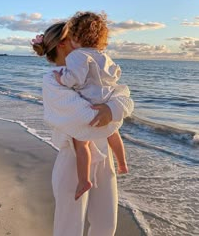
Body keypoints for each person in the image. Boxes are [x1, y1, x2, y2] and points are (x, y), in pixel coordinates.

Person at [31, 21, 134, 236]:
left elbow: (126, 99)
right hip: (74, 159)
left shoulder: (90, 72)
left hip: (104, 157)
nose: (86, 43)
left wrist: (113, 108)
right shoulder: (53, 80)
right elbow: (88, 118)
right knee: (69, 226)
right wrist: (112, 110)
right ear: (63, 44)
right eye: (76, 37)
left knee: (106, 224)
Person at [53, 12, 128, 201]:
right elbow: (115, 75)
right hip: (106, 102)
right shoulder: (104, 56)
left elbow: (74, 78)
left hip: (90, 106)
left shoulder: (78, 56)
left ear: (75, 37)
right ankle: (122, 163)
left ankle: (84, 180)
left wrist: (61, 78)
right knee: (113, 133)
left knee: (81, 145)